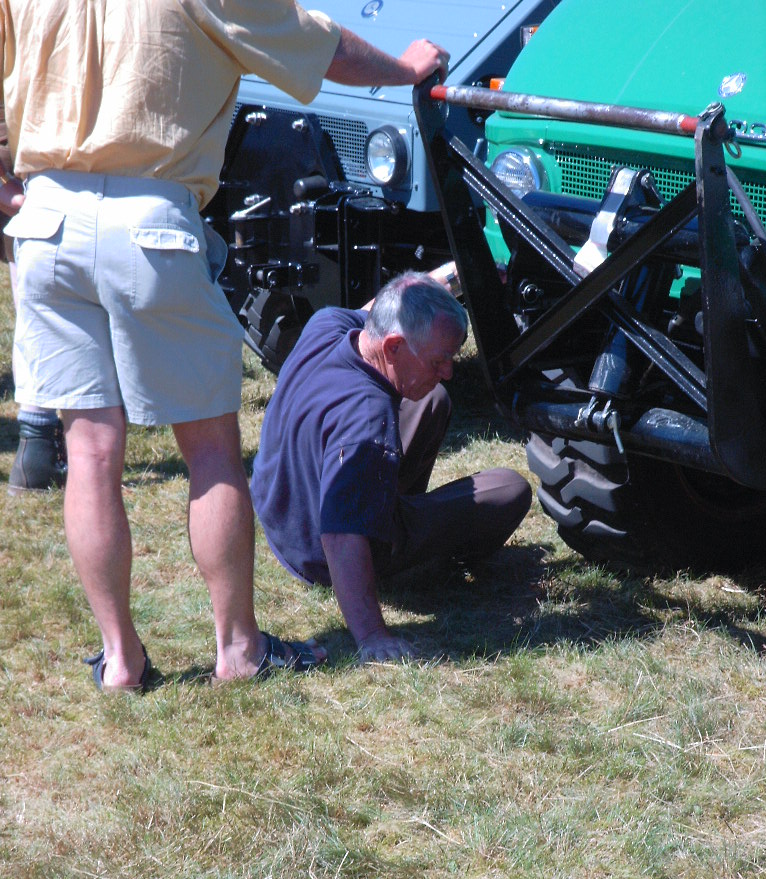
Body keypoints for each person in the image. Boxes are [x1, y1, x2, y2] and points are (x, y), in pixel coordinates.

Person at [0, 0, 451, 691]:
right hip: (151, 219)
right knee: (209, 448)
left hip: (45, 222)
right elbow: (323, 48)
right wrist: (406, 68)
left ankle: (120, 660)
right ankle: (239, 650)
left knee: (89, 451)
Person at [250, 270, 532, 663]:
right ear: (395, 345)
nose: (449, 370)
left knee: (433, 401)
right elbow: (341, 538)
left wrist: (456, 272)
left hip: (282, 513)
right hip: (321, 555)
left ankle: (383, 505)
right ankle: (409, 561)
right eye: (441, 359)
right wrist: (372, 636)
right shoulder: (367, 426)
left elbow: (382, 306)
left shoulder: (326, 324)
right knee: (510, 489)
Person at [0, 104, 65, 494]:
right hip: (48, 129)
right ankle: (40, 440)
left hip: (19, 134)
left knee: (32, 289)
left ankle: (36, 444)